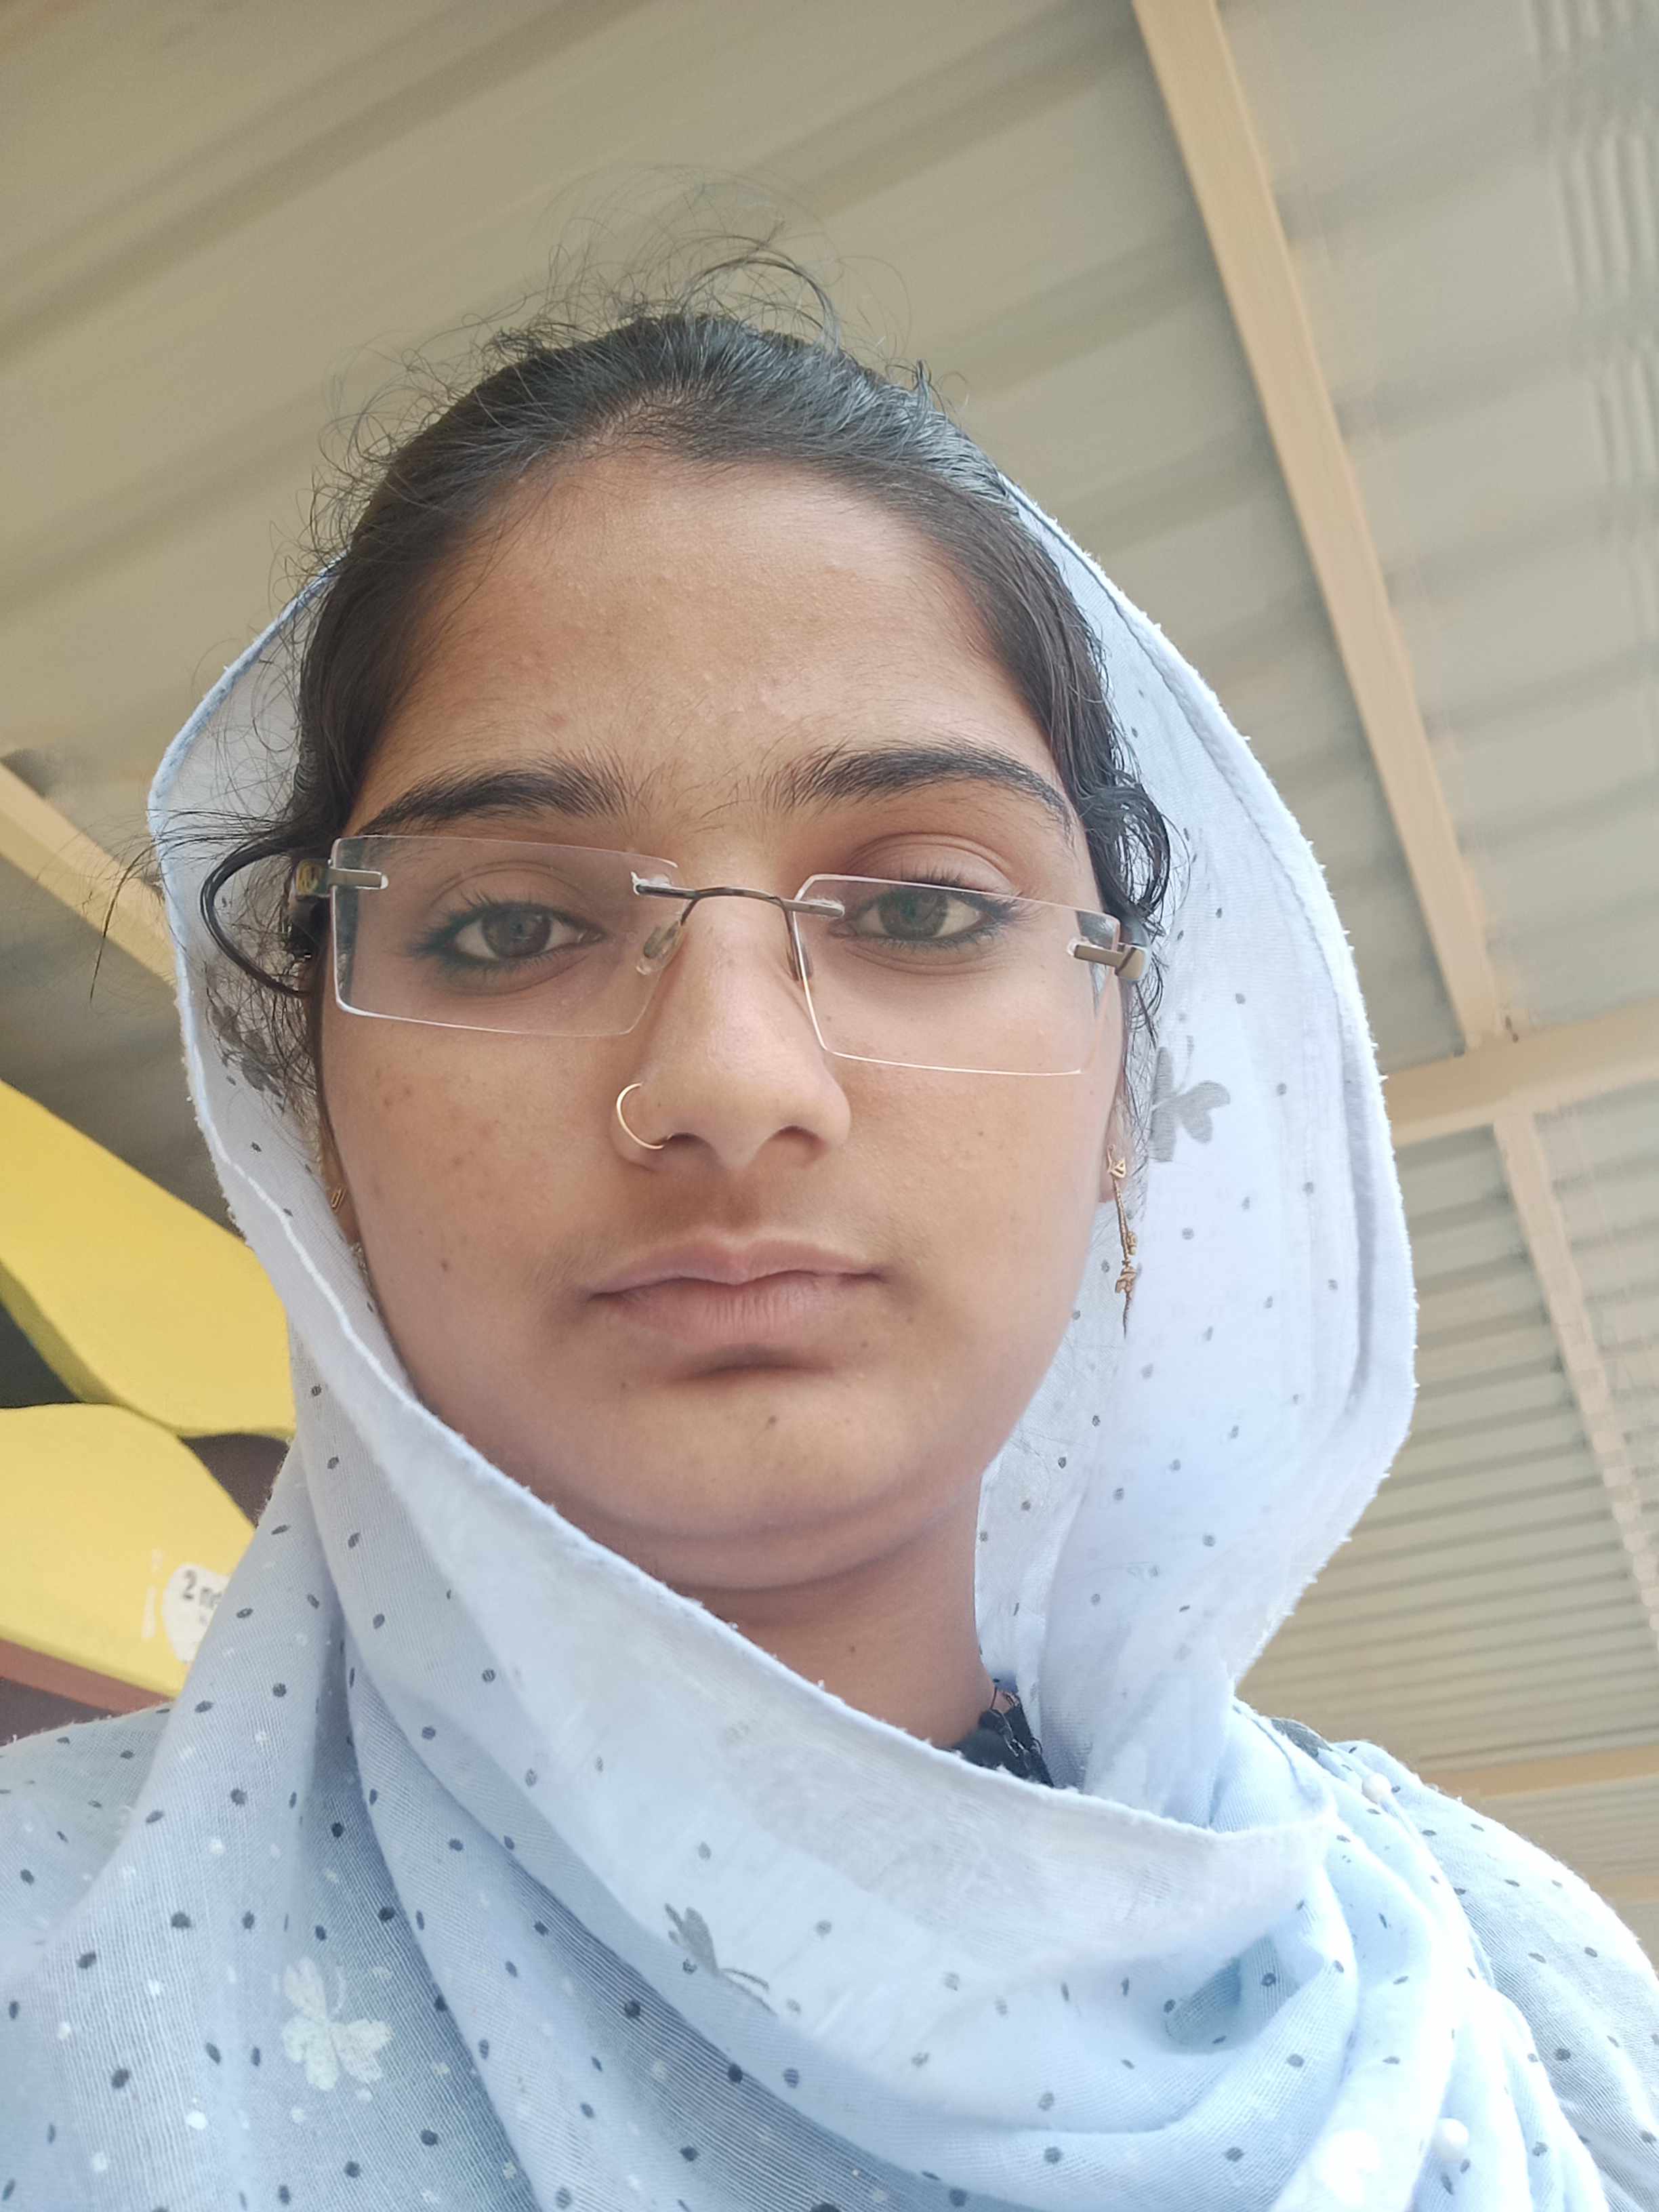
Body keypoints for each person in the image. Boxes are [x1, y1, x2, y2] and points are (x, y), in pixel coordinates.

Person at [3, 249, 1656, 2212]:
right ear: (317, 1122)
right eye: (509, 927)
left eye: (926, 909)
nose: (730, 1075)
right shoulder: (44, 1963)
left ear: (1127, 1090)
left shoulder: (1508, 1985)